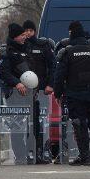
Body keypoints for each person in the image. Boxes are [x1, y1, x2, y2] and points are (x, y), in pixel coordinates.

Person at [53, 21, 90, 166]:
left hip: (75, 95)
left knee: (79, 125)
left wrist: (58, 94)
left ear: (71, 33)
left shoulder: (67, 52)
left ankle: (85, 157)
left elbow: (59, 76)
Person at [0, 23, 36, 162]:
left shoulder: (27, 48)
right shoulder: (6, 50)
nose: (24, 36)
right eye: (21, 35)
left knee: (31, 125)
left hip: (29, 93)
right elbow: (3, 72)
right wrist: (17, 83)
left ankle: (31, 153)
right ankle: (20, 155)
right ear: (15, 37)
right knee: (17, 125)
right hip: (14, 93)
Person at [23, 19, 56, 163]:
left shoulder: (43, 46)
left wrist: (50, 84)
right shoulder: (21, 46)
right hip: (25, 91)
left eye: (30, 30)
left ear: (34, 31)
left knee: (42, 123)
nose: (28, 33)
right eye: (26, 31)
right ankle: (28, 152)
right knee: (27, 123)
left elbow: (52, 66)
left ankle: (42, 151)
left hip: (42, 90)